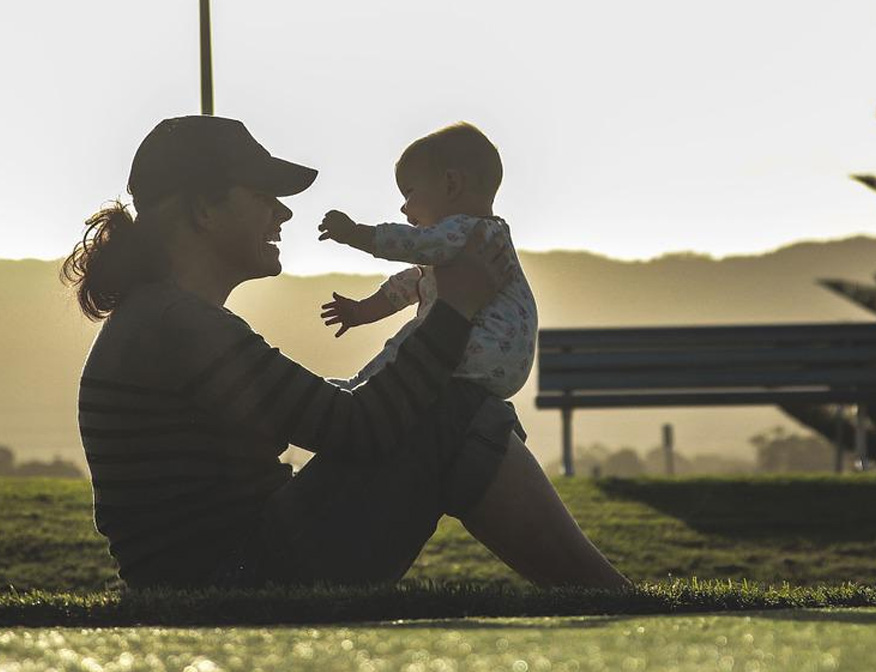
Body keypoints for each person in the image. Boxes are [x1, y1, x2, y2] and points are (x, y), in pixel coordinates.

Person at [62, 115, 629, 590]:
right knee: (455, 409)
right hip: (236, 579)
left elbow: (327, 414)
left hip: (230, 569)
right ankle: (612, 599)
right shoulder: (175, 325)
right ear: (203, 211)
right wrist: (456, 307)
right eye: (262, 196)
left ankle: (607, 596)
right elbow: (359, 428)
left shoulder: (161, 319)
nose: (283, 213)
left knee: (453, 406)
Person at [317, 122, 536, 400]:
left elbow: (411, 243)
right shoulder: (480, 241)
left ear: (451, 185)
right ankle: (361, 386)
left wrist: (354, 233)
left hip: (481, 346)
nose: (403, 207)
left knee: (413, 340)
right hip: (504, 365)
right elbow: (412, 283)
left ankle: (361, 388)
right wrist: (361, 312)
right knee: (421, 337)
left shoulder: (470, 230)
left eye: (409, 193)